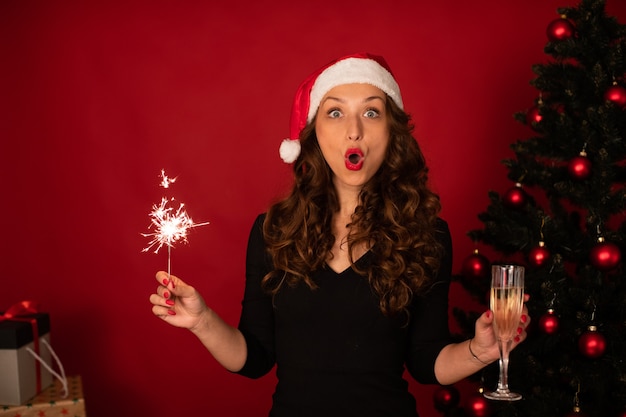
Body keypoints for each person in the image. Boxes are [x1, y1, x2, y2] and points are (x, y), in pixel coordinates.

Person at [149, 52, 530, 417]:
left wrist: (482, 350)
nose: (354, 131)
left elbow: (427, 363)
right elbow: (255, 357)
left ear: (391, 131)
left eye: (371, 112)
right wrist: (202, 321)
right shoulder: (273, 231)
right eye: (335, 112)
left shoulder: (427, 235)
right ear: (314, 134)